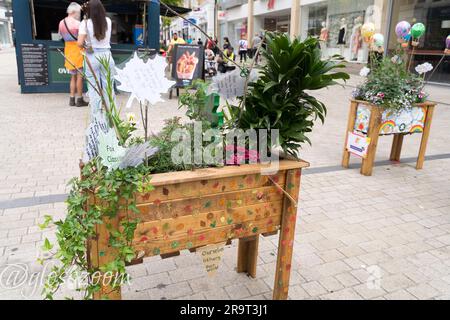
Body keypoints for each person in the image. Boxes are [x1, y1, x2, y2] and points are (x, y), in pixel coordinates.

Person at [78, 0, 115, 118]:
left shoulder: (85, 23)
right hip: (106, 55)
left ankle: (97, 117)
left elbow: (79, 43)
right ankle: (112, 117)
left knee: (94, 88)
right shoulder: (108, 21)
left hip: (92, 56)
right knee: (108, 87)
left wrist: (86, 44)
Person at [58, 2, 88, 107]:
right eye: (79, 12)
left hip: (68, 50)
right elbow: (84, 38)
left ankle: (71, 99)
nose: (79, 14)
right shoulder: (78, 24)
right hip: (78, 51)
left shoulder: (61, 23)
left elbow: (60, 36)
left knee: (72, 77)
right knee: (80, 77)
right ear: (74, 11)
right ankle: (79, 99)